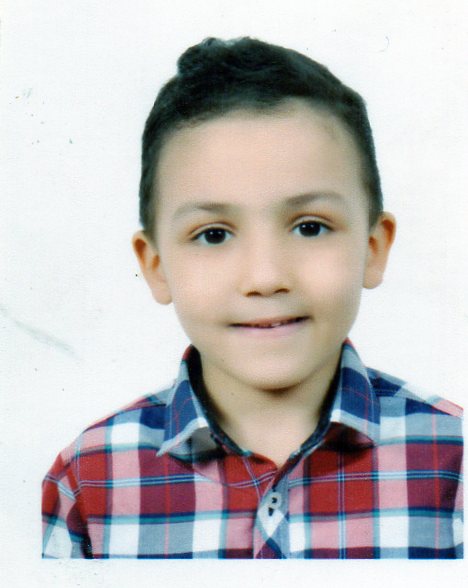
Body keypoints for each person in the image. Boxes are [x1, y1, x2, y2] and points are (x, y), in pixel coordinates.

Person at [42, 37, 463, 559]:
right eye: (214, 234)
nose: (265, 278)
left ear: (373, 249)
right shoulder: (87, 480)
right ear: (155, 266)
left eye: (310, 227)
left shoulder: (455, 463)